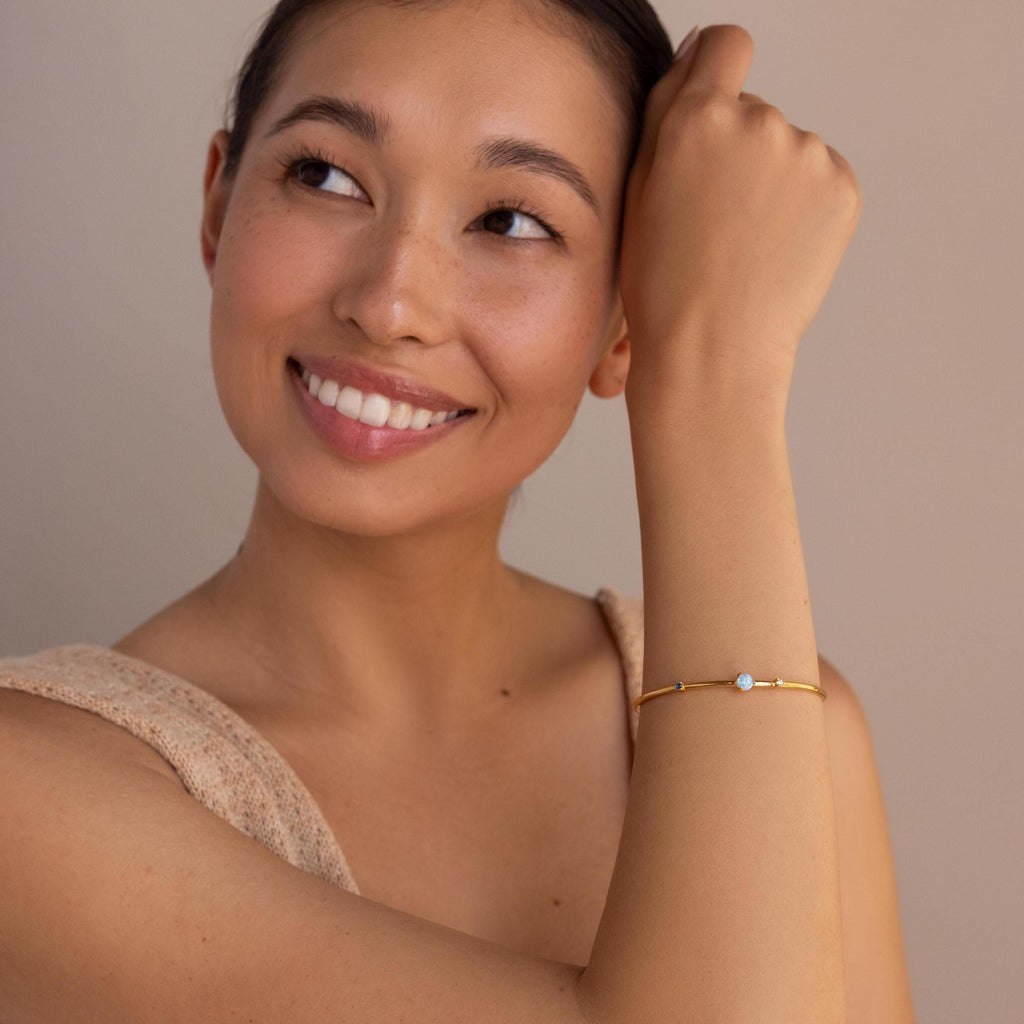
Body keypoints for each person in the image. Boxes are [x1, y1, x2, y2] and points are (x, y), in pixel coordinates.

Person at [0, 1, 915, 1020]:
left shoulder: (805, 737)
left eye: (511, 220)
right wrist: (717, 374)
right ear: (218, 203)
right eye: (328, 176)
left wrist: (700, 348)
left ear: (623, 325)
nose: (391, 303)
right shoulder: (22, 792)